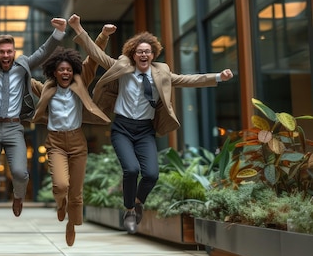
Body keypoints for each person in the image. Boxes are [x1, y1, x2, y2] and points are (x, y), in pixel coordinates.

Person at [71, 17, 234, 234]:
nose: (144, 55)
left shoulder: (162, 72)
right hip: (122, 128)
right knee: (131, 169)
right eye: (139, 51)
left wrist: (218, 77)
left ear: (153, 54)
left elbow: (188, 80)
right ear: (133, 54)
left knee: (151, 175)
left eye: (147, 51)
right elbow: (96, 53)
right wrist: (78, 28)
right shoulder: (122, 66)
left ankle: (138, 202)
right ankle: (129, 210)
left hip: (145, 129)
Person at [0, 6, 67, 217]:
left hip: (14, 127)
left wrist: (59, 32)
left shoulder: (23, 64)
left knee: (20, 173)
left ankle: (18, 196)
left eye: (9, 51)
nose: (5, 55)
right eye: (1, 52)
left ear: (14, 52)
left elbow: (43, 52)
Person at [30, 16, 116, 246]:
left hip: (78, 142)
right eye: (61, 70)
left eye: (69, 69)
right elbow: (25, 80)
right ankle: (60, 204)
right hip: (55, 141)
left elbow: (93, 58)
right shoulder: (46, 87)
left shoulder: (81, 80)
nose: (66, 73)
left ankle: (71, 224)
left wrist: (104, 35)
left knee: (76, 192)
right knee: (61, 186)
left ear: (73, 70)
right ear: (54, 72)